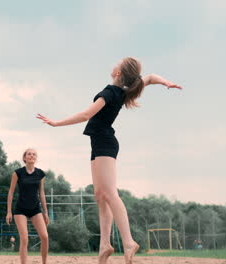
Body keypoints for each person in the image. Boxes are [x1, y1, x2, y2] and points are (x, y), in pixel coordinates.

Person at [37, 57, 182, 264]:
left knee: (111, 193)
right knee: (100, 195)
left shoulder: (110, 93)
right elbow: (149, 78)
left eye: (117, 64)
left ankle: (129, 241)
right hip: (99, 144)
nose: (114, 65)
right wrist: (166, 82)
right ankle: (105, 244)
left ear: (119, 74)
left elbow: (86, 114)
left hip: (105, 143)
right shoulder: (122, 91)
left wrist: (56, 123)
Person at [6, 148, 49, 264]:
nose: (31, 156)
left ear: (36, 158)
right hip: (21, 209)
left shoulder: (40, 174)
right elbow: (11, 192)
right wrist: (9, 212)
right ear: (25, 158)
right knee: (24, 239)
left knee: (45, 237)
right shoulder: (17, 173)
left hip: (35, 209)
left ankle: (44, 262)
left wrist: (46, 212)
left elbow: (42, 193)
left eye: (34, 154)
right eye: (29, 154)